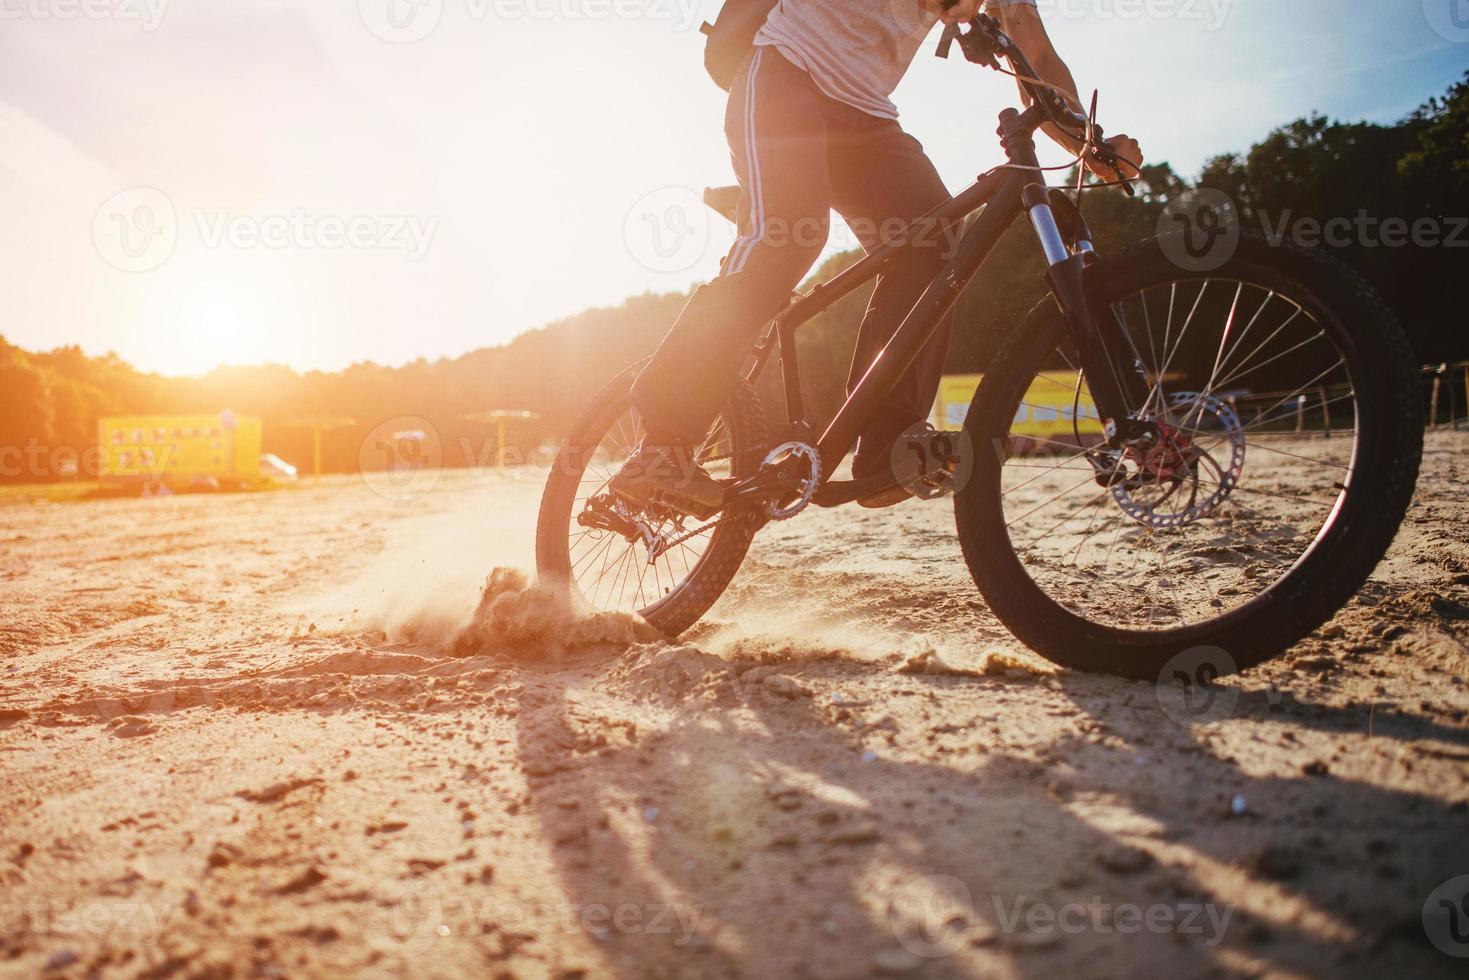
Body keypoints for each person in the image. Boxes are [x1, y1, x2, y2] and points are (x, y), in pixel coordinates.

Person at [612, 0, 1143, 518]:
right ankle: (661, 446)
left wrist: (1089, 143)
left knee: (932, 236)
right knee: (788, 240)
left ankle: (888, 438)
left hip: (864, 117)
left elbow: (1040, 61)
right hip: (783, 72)